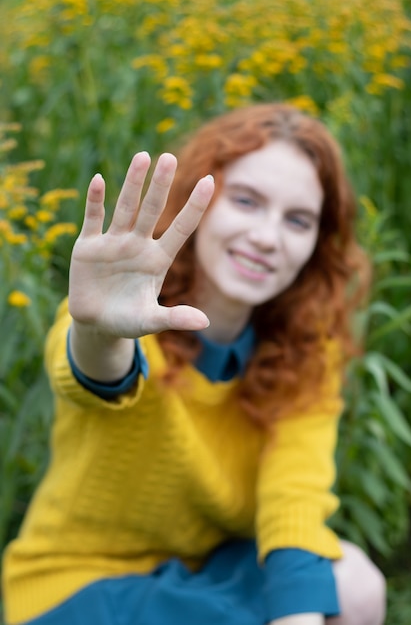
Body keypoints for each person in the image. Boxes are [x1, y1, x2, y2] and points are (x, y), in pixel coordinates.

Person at [2, 103, 386, 625]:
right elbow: (97, 372)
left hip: (204, 571)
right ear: (197, 202)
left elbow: (294, 501)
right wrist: (99, 330)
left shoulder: (308, 351)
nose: (268, 238)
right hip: (79, 586)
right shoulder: (131, 315)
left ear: (316, 244)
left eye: (298, 220)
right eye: (247, 201)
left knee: (353, 585)